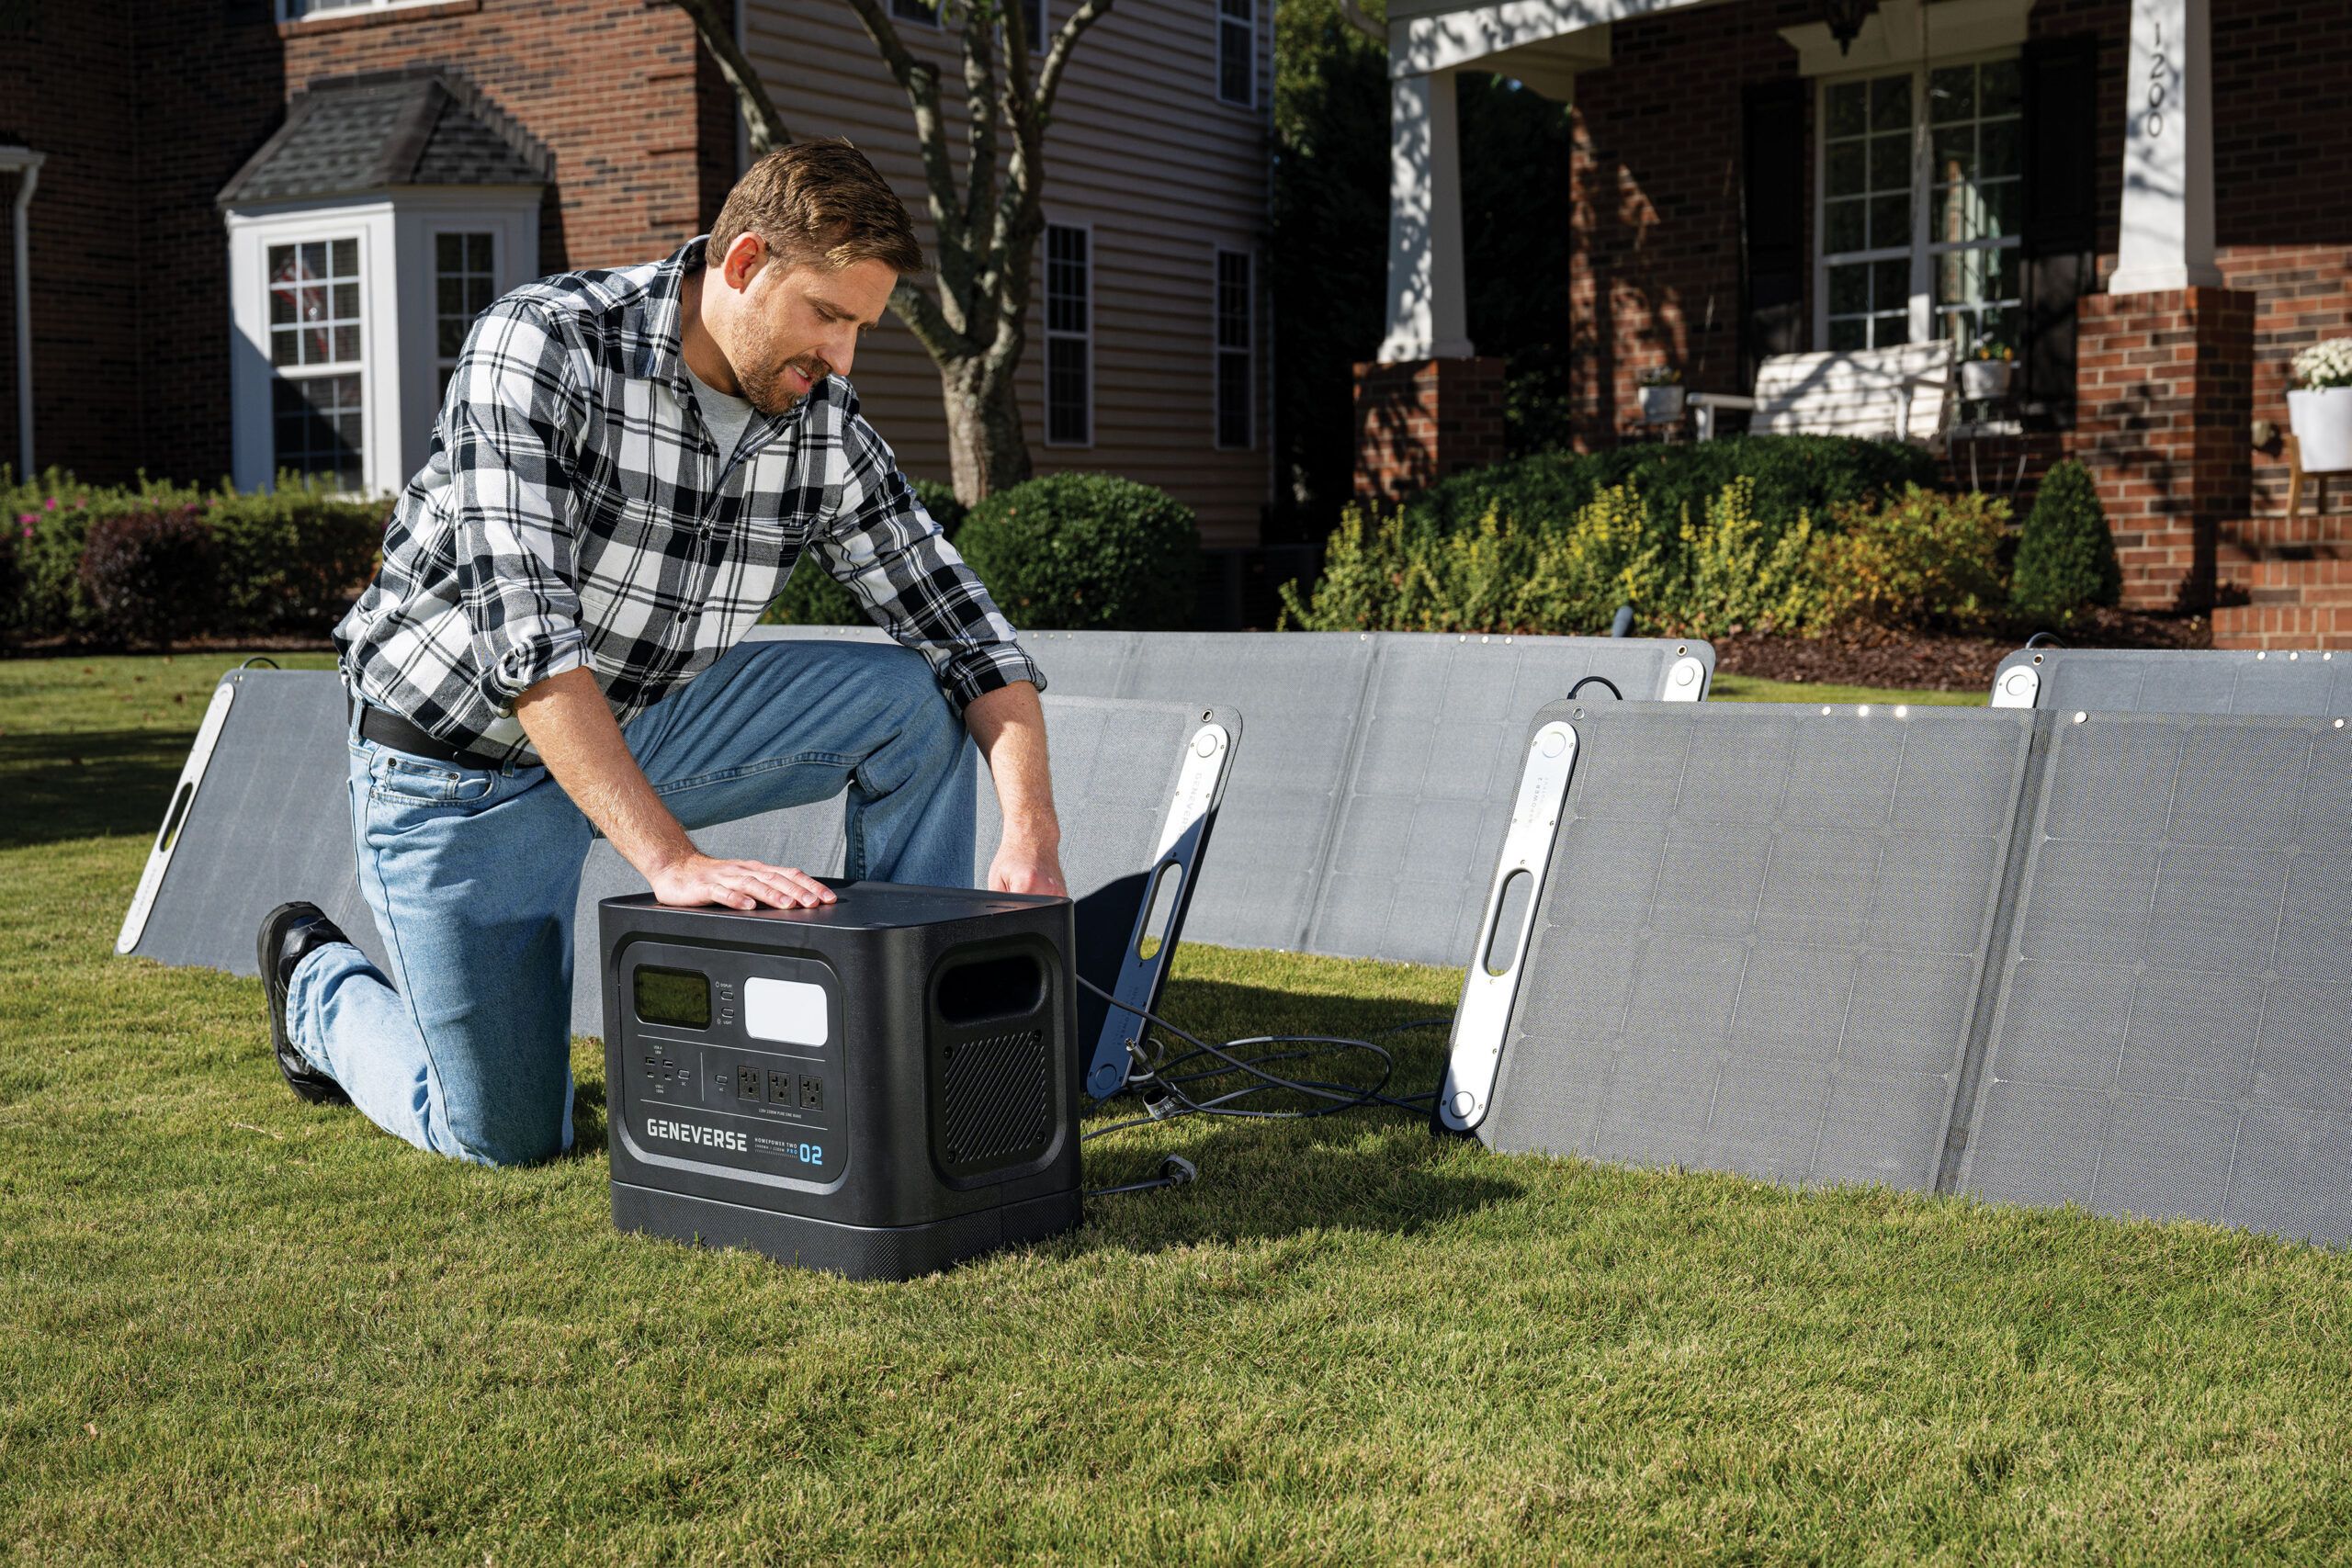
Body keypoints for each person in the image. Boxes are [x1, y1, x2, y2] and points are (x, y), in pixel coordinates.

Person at [257, 141, 1064, 1167]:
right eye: (829, 314)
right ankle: (318, 993)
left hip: (650, 721)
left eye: (861, 325)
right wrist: (671, 860)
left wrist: (1030, 835)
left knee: (911, 696)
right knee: (503, 1135)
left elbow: (968, 633)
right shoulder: (544, 344)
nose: (845, 356)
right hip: (459, 770)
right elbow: (530, 640)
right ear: (742, 264)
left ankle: (904, 1030)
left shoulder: (821, 425)